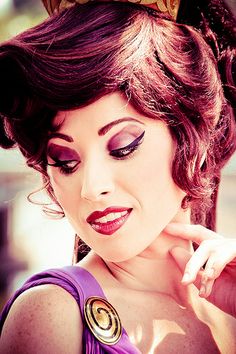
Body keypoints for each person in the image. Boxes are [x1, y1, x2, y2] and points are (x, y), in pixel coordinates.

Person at [0, 0, 236, 352]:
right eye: (65, 160)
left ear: (190, 135)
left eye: (123, 146)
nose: (93, 189)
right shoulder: (54, 313)